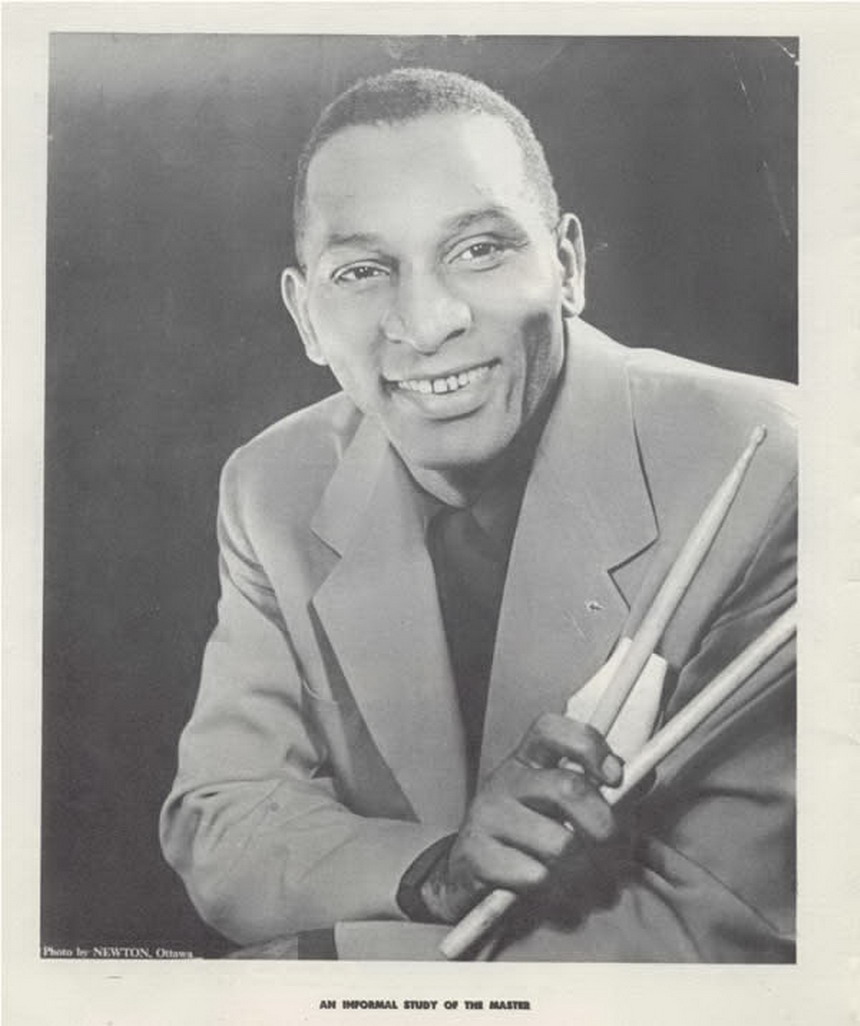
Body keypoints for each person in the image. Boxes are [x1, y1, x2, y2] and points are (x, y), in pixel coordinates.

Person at [160, 68, 796, 961]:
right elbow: (223, 823)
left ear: (567, 266)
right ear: (306, 316)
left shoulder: (776, 466)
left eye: (480, 249)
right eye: (363, 271)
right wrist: (432, 871)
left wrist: (312, 971)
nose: (426, 324)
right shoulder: (273, 487)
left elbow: (740, 928)